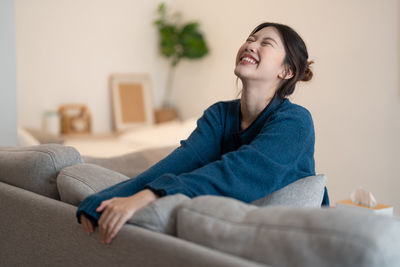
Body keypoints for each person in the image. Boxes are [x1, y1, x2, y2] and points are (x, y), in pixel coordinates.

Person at [77, 22, 329, 244]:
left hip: (290, 235)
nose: (251, 45)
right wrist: (103, 199)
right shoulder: (219, 114)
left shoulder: (295, 121)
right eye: (250, 39)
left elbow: (237, 171)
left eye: (266, 43)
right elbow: (181, 162)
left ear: (286, 71)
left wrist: (149, 194)